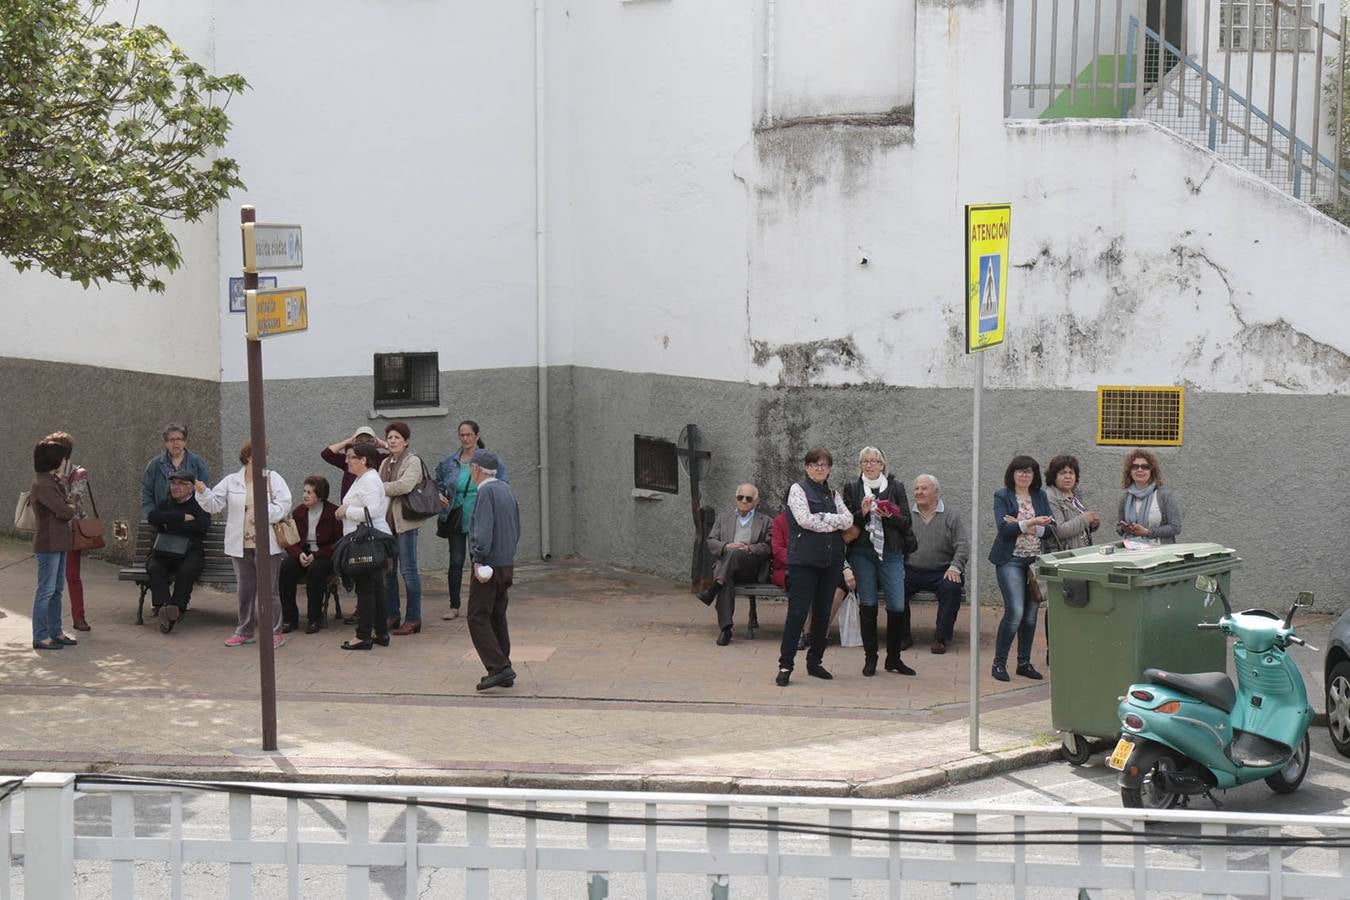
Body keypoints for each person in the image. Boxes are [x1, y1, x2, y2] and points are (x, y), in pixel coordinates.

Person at [195, 442, 291, 649]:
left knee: (269, 591)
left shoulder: (273, 478)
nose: (263, 458)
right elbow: (214, 505)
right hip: (240, 545)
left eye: (265, 454)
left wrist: (264, 514)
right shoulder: (232, 481)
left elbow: (284, 505)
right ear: (247, 456)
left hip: (268, 546)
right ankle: (245, 631)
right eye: (258, 454)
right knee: (245, 591)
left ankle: (275, 632)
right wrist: (202, 492)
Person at [777, 448, 852, 687]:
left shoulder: (833, 492)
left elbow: (848, 520)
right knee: (798, 613)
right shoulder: (797, 490)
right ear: (806, 467)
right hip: (804, 562)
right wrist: (832, 521)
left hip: (831, 562)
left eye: (824, 464)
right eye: (814, 464)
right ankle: (786, 664)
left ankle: (815, 661)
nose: (819, 468)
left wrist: (822, 518)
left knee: (822, 613)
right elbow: (803, 520)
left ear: (829, 468)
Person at [841, 447, 917, 677]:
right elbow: (845, 521)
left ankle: (893, 659)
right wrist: (861, 512)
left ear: (883, 465)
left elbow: (906, 522)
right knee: (869, 604)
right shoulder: (852, 488)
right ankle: (870, 658)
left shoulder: (896, 487)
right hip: (863, 552)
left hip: (891, 552)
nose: (870, 465)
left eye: (874, 461)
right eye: (865, 461)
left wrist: (890, 515)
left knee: (897, 605)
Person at [435, 420, 509, 620]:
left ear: (477, 436)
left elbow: (502, 483)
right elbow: (439, 483)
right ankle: (454, 605)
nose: (465, 439)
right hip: (457, 516)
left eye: (469, 435)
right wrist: (440, 495)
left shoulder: (489, 460)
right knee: (456, 561)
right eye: (462, 435)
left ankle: (484, 603)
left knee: (481, 560)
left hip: (481, 517)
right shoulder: (449, 462)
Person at [990, 455, 1054, 683]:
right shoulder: (1002, 495)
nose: (1024, 475)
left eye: (1028, 471)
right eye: (1019, 471)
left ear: (1034, 475)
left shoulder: (1040, 495)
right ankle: (999, 663)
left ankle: (1024, 663)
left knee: (1030, 616)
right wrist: (1035, 522)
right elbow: (1003, 528)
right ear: (1012, 474)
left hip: (1035, 561)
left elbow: (1050, 529)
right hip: (1010, 560)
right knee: (1015, 611)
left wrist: (1023, 524)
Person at [466, 449, 521, 690]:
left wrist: (478, 559)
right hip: (506, 562)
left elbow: (483, 529)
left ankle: (499, 667)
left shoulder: (485, 491)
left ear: (477, 469)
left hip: (489, 564)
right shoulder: (505, 489)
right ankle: (503, 665)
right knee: (497, 615)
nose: (470, 472)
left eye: (471, 468)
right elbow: (517, 526)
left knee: (477, 616)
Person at [902, 474, 970, 655]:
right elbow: (897, 545)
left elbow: (962, 545)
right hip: (911, 569)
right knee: (896, 586)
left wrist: (955, 567)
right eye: (916, 488)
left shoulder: (951, 516)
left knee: (952, 587)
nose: (919, 492)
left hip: (943, 570)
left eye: (924, 488)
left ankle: (941, 637)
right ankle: (902, 636)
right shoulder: (906, 515)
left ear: (937, 492)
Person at [698, 484, 773, 646]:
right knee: (727, 577)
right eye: (740, 498)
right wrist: (726, 546)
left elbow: (769, 547)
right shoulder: (724, 518)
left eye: (748, 498)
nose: (744, 501)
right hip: (728, 569)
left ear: (756, 501)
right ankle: (726, 629)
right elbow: (711, 541)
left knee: (733, 556)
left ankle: (713, 589)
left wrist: (749, 548)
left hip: (750, 566)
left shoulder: (766, 521)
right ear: (736, 499)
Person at [335, 443, 393, 650]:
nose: (346, 461)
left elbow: (373, 511)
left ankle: (363, 636)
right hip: (370, 540)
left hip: (369, 541)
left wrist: (345, 511)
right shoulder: (363, 479)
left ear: (363, 460)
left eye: (351, 457)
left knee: (366, 589)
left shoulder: (368, 480)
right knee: (376, 588)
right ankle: (381, 633)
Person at [379, 421, 432, 634]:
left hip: (405, 524)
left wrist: (378, 487)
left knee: (408, 571)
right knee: (388, 571)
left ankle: (413, 618)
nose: (392, 441)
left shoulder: (413, 461)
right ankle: (392, 615)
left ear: (406, 441)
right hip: (386, 525)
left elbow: (405, 485)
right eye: (390, 437)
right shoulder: (384, 463)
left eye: (397, 437)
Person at [145, 471, 212, 633]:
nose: (176, 487)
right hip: (165, 550)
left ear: (191, 488)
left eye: (181, 484)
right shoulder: (166, 503)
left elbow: (202, 526)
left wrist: (169, 522)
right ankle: (164, 607)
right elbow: (153, 517)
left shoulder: (199, 503)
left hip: (191, 551)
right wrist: (181, 517)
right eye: (174, 483)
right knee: (155, 567)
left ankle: (176, 607)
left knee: (187, 570)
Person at [30, 440, 79, 651]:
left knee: (57, 590)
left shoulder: (53, 481)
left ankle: (55, 631)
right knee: (46, 591)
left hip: (60, 542)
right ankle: (40, 635)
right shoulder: (42, 484)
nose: (65, 462)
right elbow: (66, 511)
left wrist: (69, 502)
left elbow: (67, 506)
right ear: (54, 460)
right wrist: (71, 505)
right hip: (48, 543)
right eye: (62, 458)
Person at [44, 432, 93, 632]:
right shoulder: (46, 472)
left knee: (72, 576)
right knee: (49, 579)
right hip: (50, 530)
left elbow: (75, 499)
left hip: (71, 530)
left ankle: (78, 617)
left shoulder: (78, 473)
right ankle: (49, 622)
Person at [279, 475, 341, 634]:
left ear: (320, 496)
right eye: (304, 491)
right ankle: (289, 618)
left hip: (325, 557)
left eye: (310, 492)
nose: (305, 495)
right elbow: (290, 541)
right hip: (303, 554)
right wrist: (299, 554)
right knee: (286, 567)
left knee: (316, 570)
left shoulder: (333, 512)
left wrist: (317, 554)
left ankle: (314, 619)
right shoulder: (299, 512)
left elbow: (338, 543)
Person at [140, 423, 211, 518]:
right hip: (164, 519)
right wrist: (153, 515)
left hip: (191, 519)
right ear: (166, 443)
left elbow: (205, 491)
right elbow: (146, 492)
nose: (175, 443)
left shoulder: (198, 463)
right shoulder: (155, 465)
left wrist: (198, 516)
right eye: (171, 440)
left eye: (179, 439)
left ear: (185, 442)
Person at [1117, 449, 1181, 545]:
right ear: (1129, 471)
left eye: (1145, 467)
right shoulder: (1126, 497)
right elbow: (1119, 527)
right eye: (1135, 466)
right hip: (1132, 551)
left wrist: (1147, 532)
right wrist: (1124, 528)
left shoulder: (1164, 495)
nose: (1140, 469)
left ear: (1152, 471)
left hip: (1160, 553)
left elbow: (1175, 528)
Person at [1045, 455, 1100, 551]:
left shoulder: (1076, 494)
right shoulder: (1050, 497)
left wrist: (1093, 524)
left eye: (1071, 473)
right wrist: (1085, 518)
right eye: (1063, 473)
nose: (1068, 476)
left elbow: (1080, 527)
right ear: (1054, 476)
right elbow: (1058, 531)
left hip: (1083, 551)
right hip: (1064, 554)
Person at [322, 427, 388, 500]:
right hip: (349, 506)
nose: (364, 444)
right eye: (360, 441)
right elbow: (326, 454)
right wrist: (348, 441)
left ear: (375, 443)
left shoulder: (382, 459)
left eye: (368, 441)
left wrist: (383, 444)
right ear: (354, 443)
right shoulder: (350, 459)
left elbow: (401, 454)